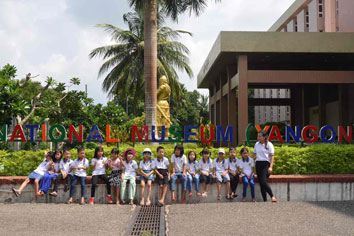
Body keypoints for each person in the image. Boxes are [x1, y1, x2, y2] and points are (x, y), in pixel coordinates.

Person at [251, 130, 278, 202]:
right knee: (261, 183)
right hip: (258, 164)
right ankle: (265, 200)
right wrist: (246, 159)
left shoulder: (269, 144)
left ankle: (272, 196)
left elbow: (272, 156)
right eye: (257, 136)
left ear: (264, 137)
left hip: (265, 164)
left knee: (263, 182)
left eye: (260, 136)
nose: (258, 138)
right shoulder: (257, 144)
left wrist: (271, 167)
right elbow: (254, 154)